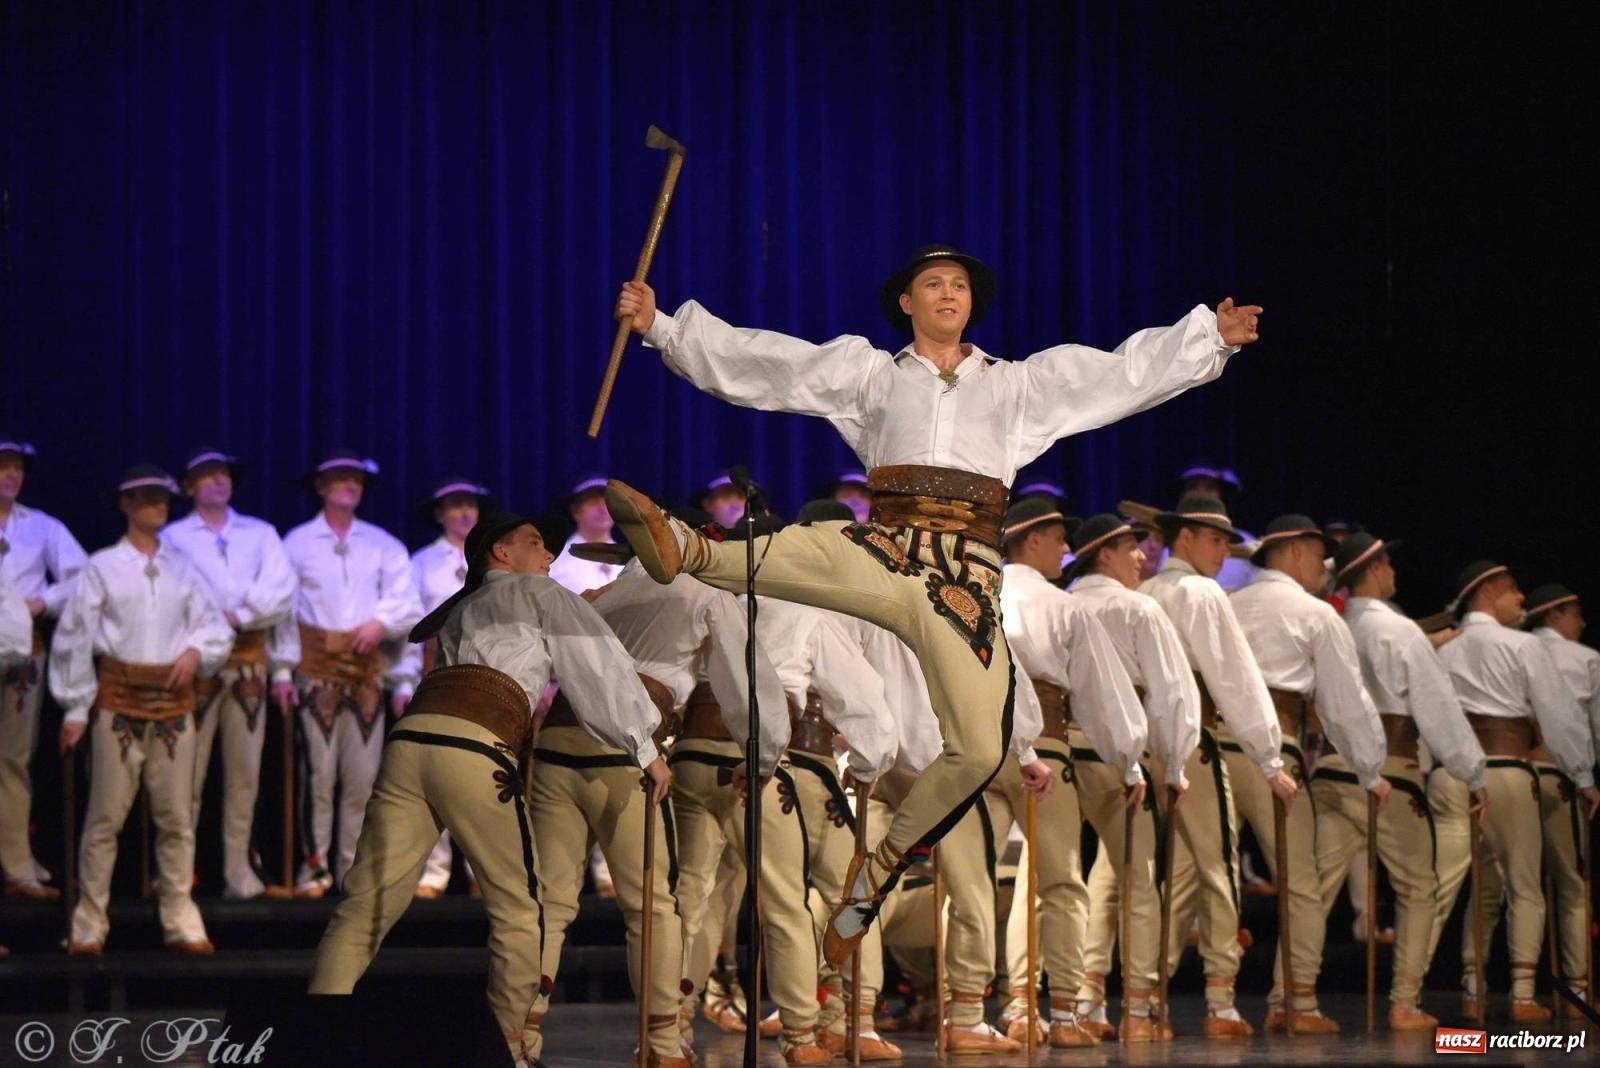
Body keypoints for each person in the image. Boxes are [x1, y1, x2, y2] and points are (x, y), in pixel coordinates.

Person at [608, 244, 1263, 965]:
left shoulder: (1016, 387)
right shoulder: (872, 376)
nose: (948, 293)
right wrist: (663, 327)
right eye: (932, 284)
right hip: (886, 550)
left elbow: (1120, 373)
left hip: (967, 583)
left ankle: (880, 867)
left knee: (980, 749)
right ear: (907, 304)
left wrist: (1206, 338)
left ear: (971, 304)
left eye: (958, 285)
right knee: (808, 547)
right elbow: (773, 364)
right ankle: (686, 547)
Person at [309, 513, 663, 1068]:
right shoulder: (541, 593)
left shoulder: (461, 609)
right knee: (520, 909)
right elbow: (599, 668)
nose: (548, 555)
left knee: (368, 901)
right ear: (500, 552)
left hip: (410, 744)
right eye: (534, 543)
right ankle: (509, 1049)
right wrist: (645, 749)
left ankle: (317, 1037)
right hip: (474, 752)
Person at [51, 465, 233, 953]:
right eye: (146, 497)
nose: (158, 504)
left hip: (173, 706)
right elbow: (74, 637)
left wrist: (196, 651)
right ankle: (90, 919)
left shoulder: (182, 568)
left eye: (162, 497)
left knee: (176, 819)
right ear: (126, 505)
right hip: (121, 702)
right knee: (105, 818)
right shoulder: (103, 566)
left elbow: (215, 627)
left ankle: (179, 914)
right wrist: (74, 708)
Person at [988, 500, 1150, 1049]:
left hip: (977, 751)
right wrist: (1128, 760)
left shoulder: (975, 597)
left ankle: (1005, 1007)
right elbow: (1103, 695)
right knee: (1060, 883)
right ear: (1031, 541)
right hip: (1046, 753)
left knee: (979, 885)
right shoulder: (1062, 606)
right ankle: (1060, 1014)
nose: (1065, 549)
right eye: (1058, 538)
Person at [1140, 495, 1295, 1036]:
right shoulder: (1200, 593)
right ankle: (1221, 1000)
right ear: (1184, 537)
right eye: (1214, 540)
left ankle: (1135, 998)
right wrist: (1270, 758)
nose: (1223, 553)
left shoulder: (1141, 591)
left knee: (1152, 872)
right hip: (1190, 745)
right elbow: (1235, 677)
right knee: (1217, 865)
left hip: (1141, 746)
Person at [1230, 515, 1390, 1033]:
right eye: (1318, 553)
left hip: (1216, 749)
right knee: (1300, 883)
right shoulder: (1315, 614)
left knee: (1202, 876)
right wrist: (1370, 771)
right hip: (1276, 747)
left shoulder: (1228, 606)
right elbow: (1345, 703)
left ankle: (1185, 1005)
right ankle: (1296, 1004)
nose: (1325, 567)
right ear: (1296, 551)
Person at [1335, 532, 1487, 1029]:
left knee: (1311, 891)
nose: (1394, 572)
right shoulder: (1399, 632)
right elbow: (1436, 707)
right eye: (1389, 563)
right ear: (1375, 569)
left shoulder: (1334, 624)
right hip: (1393, 768)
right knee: (1420, 887)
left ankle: (1287, 1000)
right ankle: (1404, 1002)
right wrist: (1471, 770)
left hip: (1333, 769)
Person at [1435, 561, 1599, 1020]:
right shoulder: (1524, 646)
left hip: (1461, 772)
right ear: (1489, 592)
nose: (1521, 602)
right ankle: (1528, 994)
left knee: (1481, 886)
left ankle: (1471, 987)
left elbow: (1433, 712)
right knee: (1534, 886)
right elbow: (1559, 717)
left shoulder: (1446, 650)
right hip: (1514, 769)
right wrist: (1584, 775)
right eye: (1514, 593)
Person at [1058, 513, 1201, 1039]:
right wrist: (1176, 763)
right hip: (1118, 760)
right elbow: (1171, 692)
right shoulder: (1138, 608)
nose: (1142, 556)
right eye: (1130, 548)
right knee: (1139, 880)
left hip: (1061, 752)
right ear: (1104, 555)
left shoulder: (1062, 604)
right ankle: (1138, 1011)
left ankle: (1079, 1003)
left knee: (1064, 878)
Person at [270, 450, 423, 896]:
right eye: (339, 478)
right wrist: (281, 669)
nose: (349, 485)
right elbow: (283, 609)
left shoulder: (382, 544)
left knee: (362, 779)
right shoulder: (297, 543)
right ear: (321, 487)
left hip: (364, 676)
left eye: (355, 479)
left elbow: (408, 604)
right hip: (315, 672)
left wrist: (380, 623)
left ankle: (350, 869)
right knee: (318, 776)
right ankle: (313, 868)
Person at [162, 447, 297, 900]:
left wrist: (238, 614)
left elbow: (280, 591)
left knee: (244, 774)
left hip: (247, 665)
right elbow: (170, 593)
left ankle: (238, 872)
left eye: (224, 474)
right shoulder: (175, 537)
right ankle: (179, 873)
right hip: (196, 664)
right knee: (188, 774)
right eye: (207, 475)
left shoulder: (259, 534)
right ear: (189, 486)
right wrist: (207, 619)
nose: (219, 481)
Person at [0, 434, 88, 900]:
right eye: (3, 465)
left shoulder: (41, 527)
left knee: (14, 759)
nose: (11, 473)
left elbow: (80, 577)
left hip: (20, 655)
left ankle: (16, 863)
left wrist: (42, 601)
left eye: (17, 467)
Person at [403, 476, 490, 899]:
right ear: (441, 514)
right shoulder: (421, 562)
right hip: (435, 675)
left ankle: (479, 870)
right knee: (433, 773)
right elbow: (410, 625)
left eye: (470, 505)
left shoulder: (492, 560)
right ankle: (434, 871)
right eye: (454, 506)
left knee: (477, 774)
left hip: (479, 677)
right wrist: (404, 680)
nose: (464, 513)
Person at [1521, 583, 1597, 1015]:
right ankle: (1578, 991)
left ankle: (1501, 990)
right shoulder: (1586, 659)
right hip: (1560, 774)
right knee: (1572, 884)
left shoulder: (1513, 648)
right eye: (1575, 613)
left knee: (1514, 884)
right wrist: (1587, 776)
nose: (1581, 623)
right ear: (1553, 615)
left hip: (1509, 771)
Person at [548, 475, 626, 594]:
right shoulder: (555, 562)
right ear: (575, 511)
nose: (603, 509)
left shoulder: (630, 561)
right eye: (593, 502)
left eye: (608, 502)